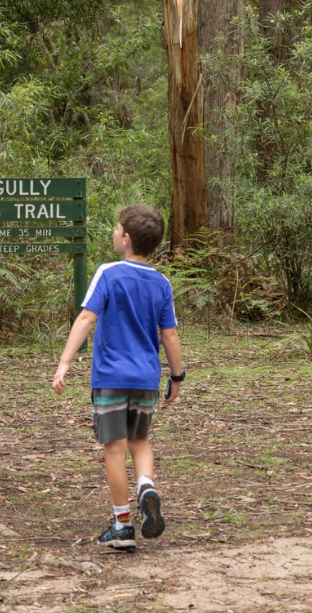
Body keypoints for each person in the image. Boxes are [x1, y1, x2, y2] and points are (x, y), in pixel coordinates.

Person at [52, 204, 184, 550]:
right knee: (139, 440)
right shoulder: (161, 282)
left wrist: (65, 361)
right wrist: (178, 376)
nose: (113, 233)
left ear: (126, 240)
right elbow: (169, 335)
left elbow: (85, 319)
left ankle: (122, 525)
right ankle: (146, 484)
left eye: (115, 228)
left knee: (114, 447)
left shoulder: (108, 273)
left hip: (110, 376)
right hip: (146, 379)